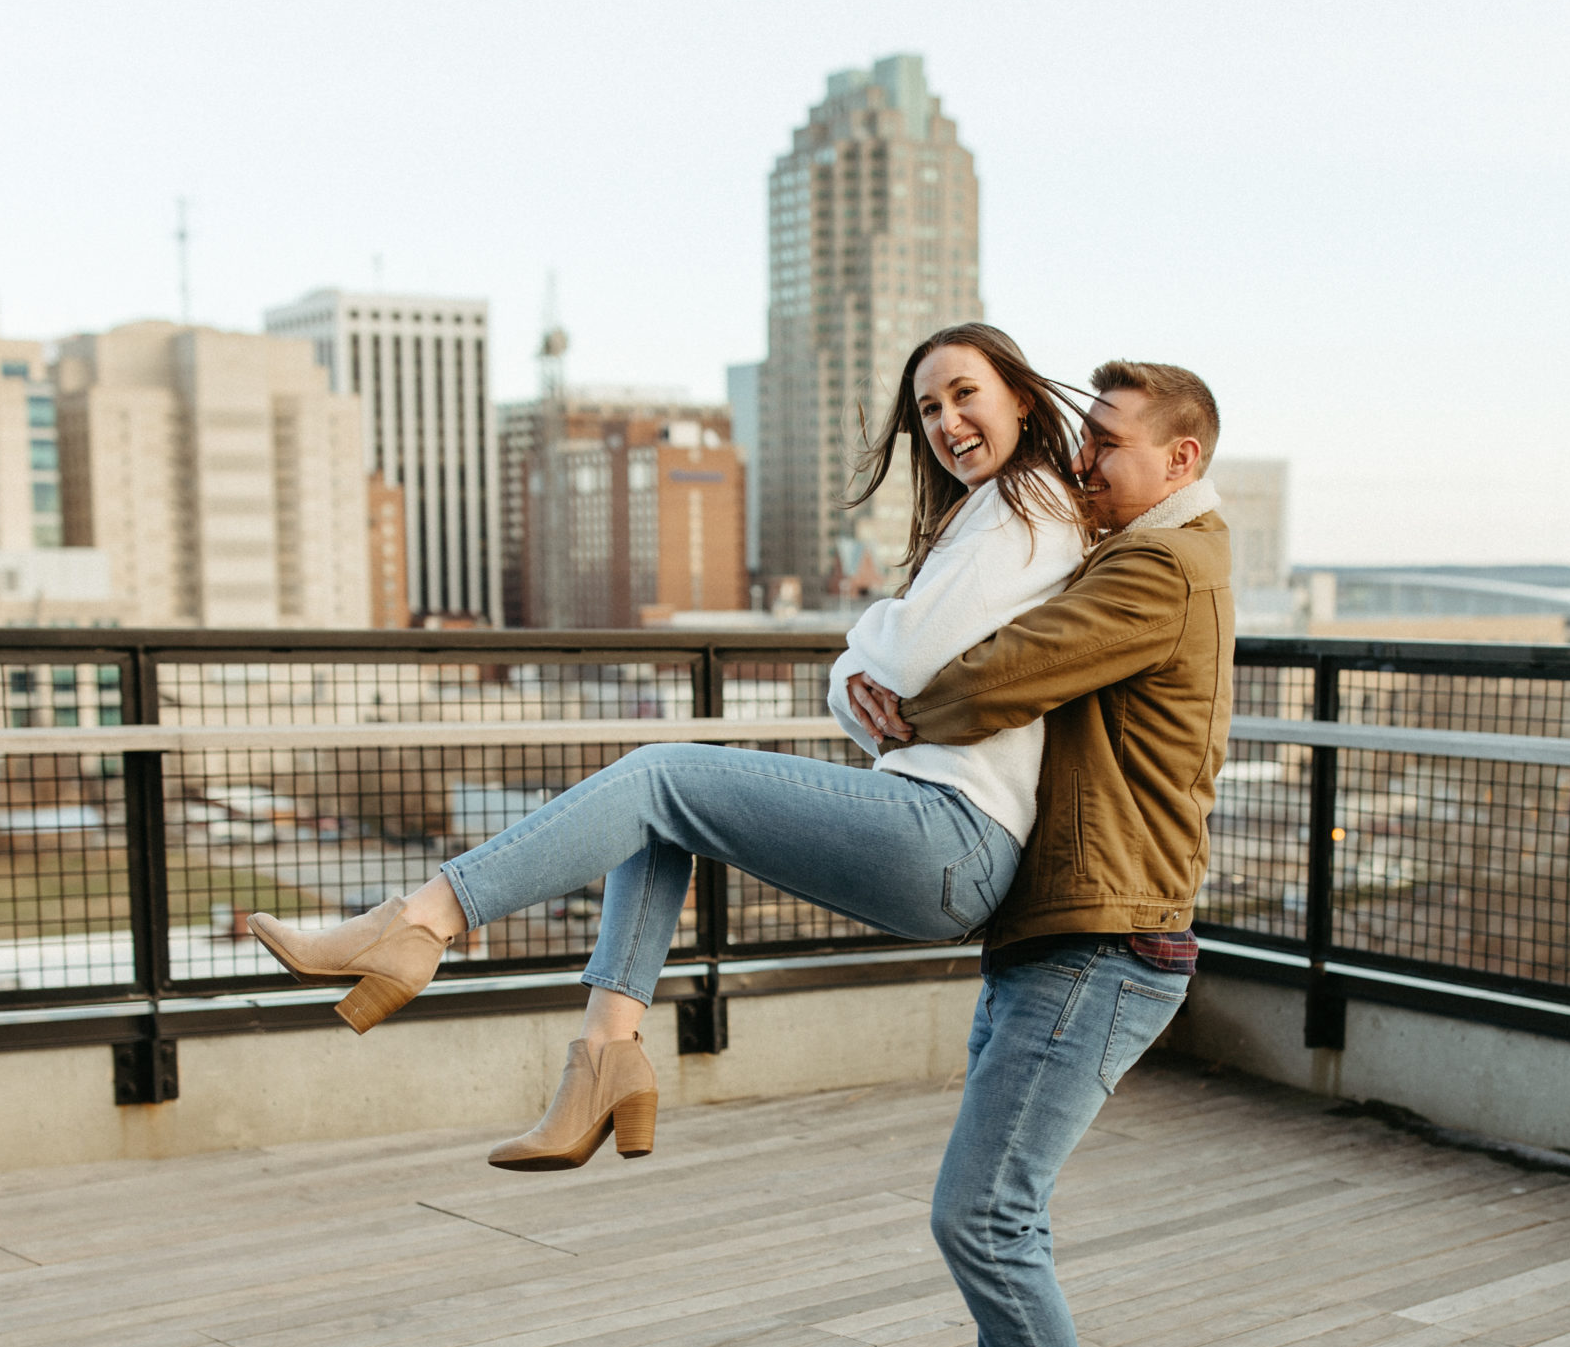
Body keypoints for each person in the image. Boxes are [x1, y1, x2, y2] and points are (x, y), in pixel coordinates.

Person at [246, 324, 1091, 1169]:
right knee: (658, 818)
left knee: (659, 775)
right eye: (929, 408)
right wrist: (856, 672)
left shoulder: (1031, 506)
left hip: (954, 829)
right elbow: (868, 687)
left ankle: (418, 922)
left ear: (1020, 395)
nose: (947, 423)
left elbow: (901, 657)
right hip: (940, 830)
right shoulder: (985, 516)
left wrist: (867, 656)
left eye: (965, 394)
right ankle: (605, 1059)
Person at [846, 361, 1233, 1347]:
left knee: (982, 1215)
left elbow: (1008, 668)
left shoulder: (1161, 568)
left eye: (1106, 447)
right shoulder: (1136, 548)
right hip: (1060, 931)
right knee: (1006, 1211)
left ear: (1177, 460)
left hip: (1105, 942)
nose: (1082, 464)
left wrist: (899, 711)